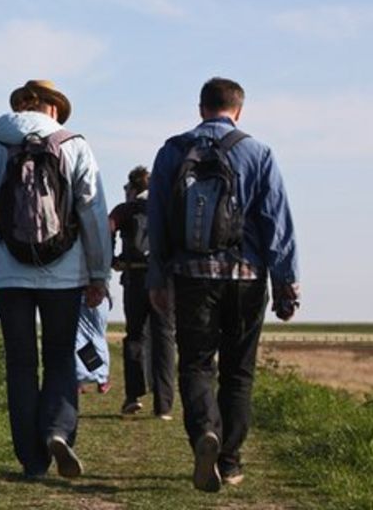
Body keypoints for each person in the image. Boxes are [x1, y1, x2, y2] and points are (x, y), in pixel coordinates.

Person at [147, 77, 299, 492]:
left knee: (196, 364)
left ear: (200, 108)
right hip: (247, 279)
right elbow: (277, 224)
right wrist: (286, 284)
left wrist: (157, 277)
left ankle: (204, 435)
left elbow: (157, 219)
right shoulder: (258, 152)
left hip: (191, 276)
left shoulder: (173, 150)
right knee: (238, 372)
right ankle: (229, 461)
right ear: (239, 110)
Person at [0, 79, 111, 480]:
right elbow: (94, 214)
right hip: (65, 270)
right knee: (60, 355)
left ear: (21, 108)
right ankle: (58, 431)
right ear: (54, 109)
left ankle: (31, 459)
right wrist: (99, 274)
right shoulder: (75, 145)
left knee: (21, 362)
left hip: (7, 271)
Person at [110, 166, 175, 419]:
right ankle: (164, 404)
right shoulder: (167, 208)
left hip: (135, 278)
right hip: (165, 281)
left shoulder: (125, 210)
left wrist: (111, 260)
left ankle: (134, 395)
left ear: (134, 188)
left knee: (135, 335)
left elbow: (108, 228)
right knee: (165, 338)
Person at [75, 294, 111, 394]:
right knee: (96, 337)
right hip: (98, 295)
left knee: (80, 338)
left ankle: (81, 379)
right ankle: (101, 378)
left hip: (81, 294)